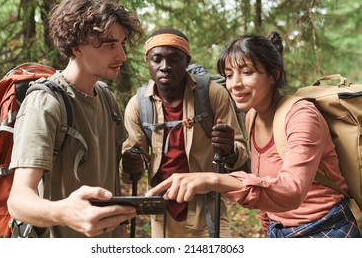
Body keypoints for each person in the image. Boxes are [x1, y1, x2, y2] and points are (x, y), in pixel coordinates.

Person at [146, 32, 361, 238]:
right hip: (280, 231)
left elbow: (291, 191)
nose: (235, 84)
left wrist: (213, 180)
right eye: (229, 75)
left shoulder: (301, 116)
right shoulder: (252, 117)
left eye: (247, 72)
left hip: (326, 230)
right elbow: (262, 181)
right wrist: (267, 226)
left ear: (273, 74)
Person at [7, 0, 143, 238]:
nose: (121, 56)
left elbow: (108, 175)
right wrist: (64, 212)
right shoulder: (45, 103)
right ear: (76, 46)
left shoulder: (106, 97)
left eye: (121, 44)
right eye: (110, 44)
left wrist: (120, 234)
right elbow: (18, 200)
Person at [121, 28, 248, 238]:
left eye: (174, 59)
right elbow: (132, 162)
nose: (165, 67)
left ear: (186, 61)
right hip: (161, 213)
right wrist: (131, 163)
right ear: (148, 62)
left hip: (208, 209)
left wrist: (229, 149)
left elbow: (240, 152)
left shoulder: (213, 94)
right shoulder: (138, 104)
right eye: (157, 59)